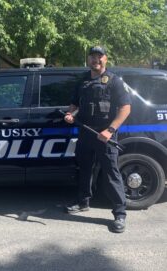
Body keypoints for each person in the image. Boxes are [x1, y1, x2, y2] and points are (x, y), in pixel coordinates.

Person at [64, 46, 131, 233]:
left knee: (111, 173)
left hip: (105, 135)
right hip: (86, 132)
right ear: (89, 60)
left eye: (99, 57)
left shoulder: (114, 81)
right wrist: (70, 114)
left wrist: (110, 130)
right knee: (85, 169)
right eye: (93, 57)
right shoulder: (83, 81)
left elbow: (125, 108)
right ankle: (83, 202)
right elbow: (75, 104)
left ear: (105, 59)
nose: (96, 60)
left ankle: (120, 214)